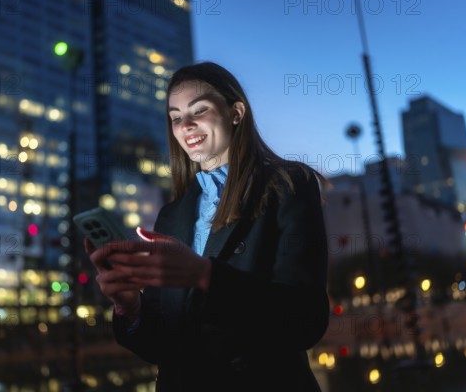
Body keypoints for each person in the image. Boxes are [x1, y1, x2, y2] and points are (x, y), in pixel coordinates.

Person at [86, 62, 330, 391]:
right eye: (175, 117)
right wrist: (130, 306)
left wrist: (205, 275)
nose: (185, 125)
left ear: (236, 113)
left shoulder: (288, 185)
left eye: (198, 110)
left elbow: (304, 320)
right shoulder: (172, 216)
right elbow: (163, 347)